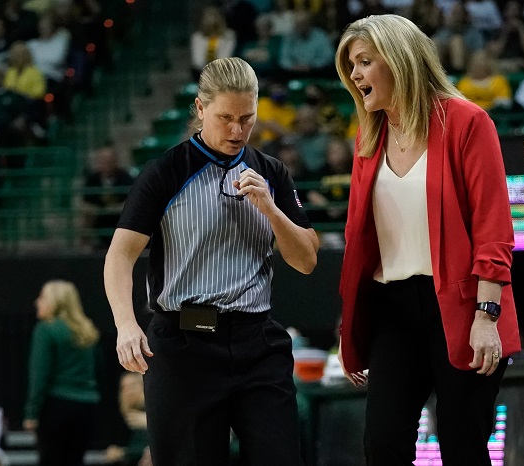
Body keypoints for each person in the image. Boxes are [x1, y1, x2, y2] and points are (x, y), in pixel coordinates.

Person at [103, 57, 318, 465]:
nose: (237, 130)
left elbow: (306, 261)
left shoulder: (271, 172)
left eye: (247, 118)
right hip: (185, 345)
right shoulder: (165, 172)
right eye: (226, 118)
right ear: (201, 109)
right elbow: (119, 255)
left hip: (258, 341)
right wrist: (125, 325)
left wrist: (272, 210)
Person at [334, 14, 520, 465]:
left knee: (462, 445)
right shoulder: (369, 135)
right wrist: (353, 316)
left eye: (364, 62)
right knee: (382, 443)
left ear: (399, 61)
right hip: (392, 309)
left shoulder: (467, 122)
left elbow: (493, 230)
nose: (355, 75)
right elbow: (362, 241)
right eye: (351, 66)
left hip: (460, 305)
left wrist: (486, 314)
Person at [23, 280, 101, 466]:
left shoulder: (46, 329)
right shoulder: (88, 331)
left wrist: (32, 412)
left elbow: (39, 375)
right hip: (86, 406)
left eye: (42, 297)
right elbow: (98, 370)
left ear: (55, 301)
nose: (37, 302)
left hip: (56, 406)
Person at [82, 143, 135, 249]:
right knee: (86, 216)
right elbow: (86, 202)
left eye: (109, 160)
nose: (106, 163)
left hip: (119, 216)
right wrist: (98, 209)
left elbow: (132, 201)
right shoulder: (92, 179)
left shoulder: (126, 178)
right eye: (103, 160)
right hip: (99, 216)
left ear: (115, 161)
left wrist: (117, 208)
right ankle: (86, 247)